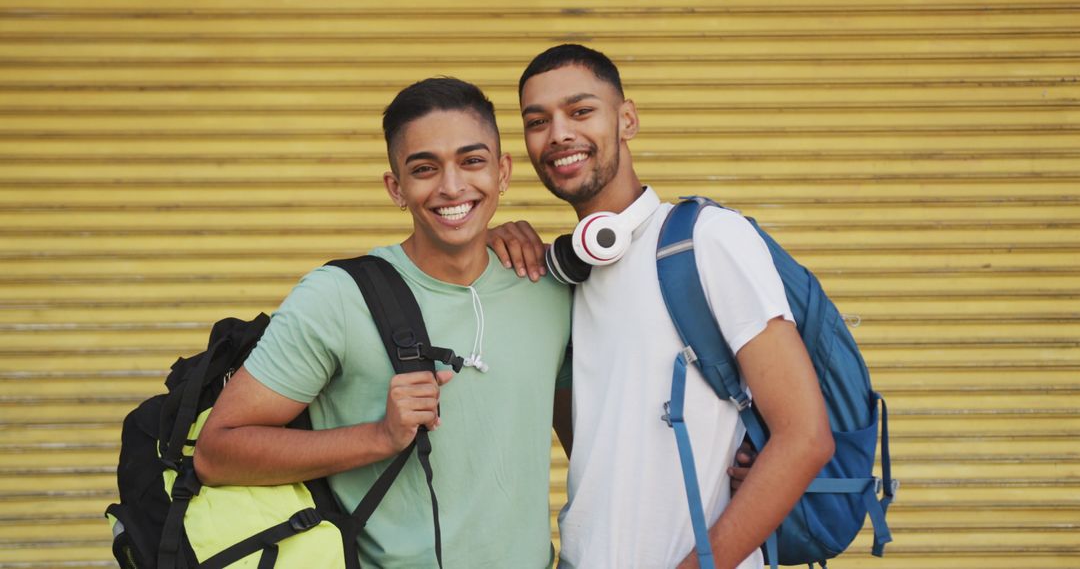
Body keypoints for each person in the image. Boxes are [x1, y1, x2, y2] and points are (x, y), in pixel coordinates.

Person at [195, 77, 573, 568]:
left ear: (503, 173)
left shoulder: (549, 288)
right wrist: (378, 437)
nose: (452, 186)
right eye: (424, 168)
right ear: (396, 187)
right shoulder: (337, 298)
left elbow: (591, 446)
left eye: (472, 161)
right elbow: (216, 453)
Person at [489, 44, 834, 569]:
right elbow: (597, 450)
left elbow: (805, 438)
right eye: (537, 121)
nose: (558, 133)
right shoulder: (567, 274)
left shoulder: (708, 240)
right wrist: (487, 253)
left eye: (581, 111)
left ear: (627, 119)